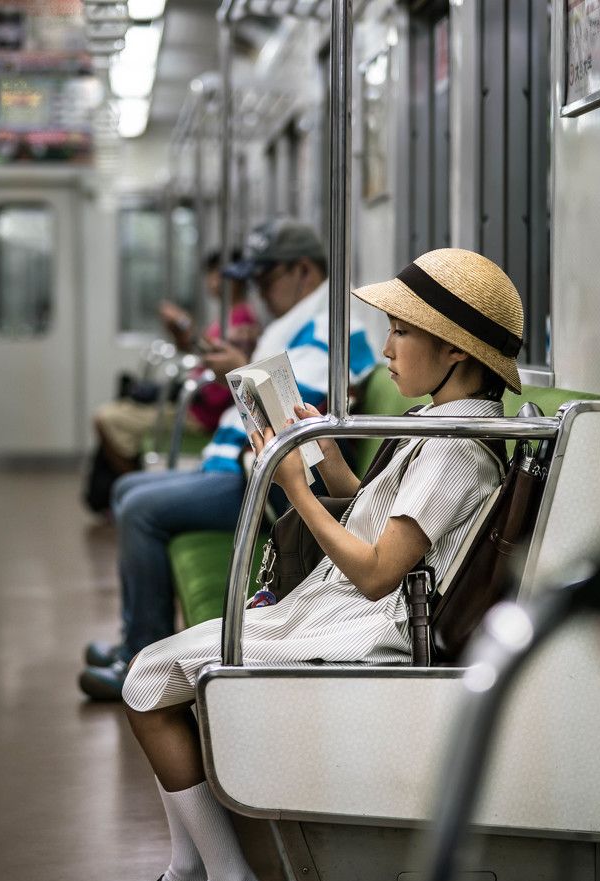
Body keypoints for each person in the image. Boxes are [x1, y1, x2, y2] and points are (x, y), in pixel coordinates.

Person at [102, 247, 524, 881]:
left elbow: (377, 571)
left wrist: (292, 482)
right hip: (344, 612)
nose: (386, 350)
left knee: (146, 680)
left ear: (453, 350)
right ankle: (192, 870)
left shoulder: (452, 446)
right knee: (154, 672)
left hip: (366, 627)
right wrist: (326, 452)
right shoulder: (438, 424)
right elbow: (378, 514)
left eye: (402, 332)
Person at [79, 218, 377, 698]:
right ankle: (133, 645)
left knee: (138, 508)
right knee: (126, 488)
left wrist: (234, 372)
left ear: (303, 271)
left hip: (263, 482)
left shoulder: (332, 330)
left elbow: (293, 412)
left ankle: (140, 655)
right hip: (244, 465)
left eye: (265, 279)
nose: (257, 292)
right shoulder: (298, 325)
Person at [83, 250, 259, 512]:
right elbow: (202, 349)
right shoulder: (226, 316)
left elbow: (214, 367)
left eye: (215, 275)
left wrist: (185, 324)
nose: (211, 282)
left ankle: (136, 488)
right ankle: (135, 489)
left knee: (105, 419)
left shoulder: (240, 321)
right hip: (193, 405)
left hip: (202, 413)